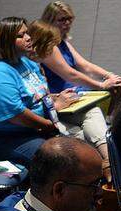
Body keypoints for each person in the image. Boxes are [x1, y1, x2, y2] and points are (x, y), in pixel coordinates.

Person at [0, 17, 78, 165]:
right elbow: (18, 115)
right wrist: (50, 126)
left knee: (81, 143)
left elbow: (37, 95)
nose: (28, 38)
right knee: (58, 160)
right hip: (2, 139)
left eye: (27, 33)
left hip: (31, 130)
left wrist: (55, 99)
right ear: (5, 41)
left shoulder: (25, 62)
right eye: (21, 36)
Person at [27, 20, 111, 172]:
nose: (52, 52)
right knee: (80, 135)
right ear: (38, 44)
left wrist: (56, 96)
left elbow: (40, 96)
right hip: (45, 119)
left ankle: (108, 162)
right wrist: (56, 104)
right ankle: (106, 170)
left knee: (93, 110)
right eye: (50, 47)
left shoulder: (35, 65)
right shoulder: (21, 69)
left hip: (54, 110)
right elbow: (27, 107)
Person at [39, 1, 121, 96]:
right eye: (62, 19)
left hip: (76, 91)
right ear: (49, 21)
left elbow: (86, 67)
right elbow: (70, 75)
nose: (67, 23)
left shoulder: (63, 43)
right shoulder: (47, 45)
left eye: (69, 19)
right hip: (64, 96)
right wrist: (101, 85)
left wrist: (111, 76)